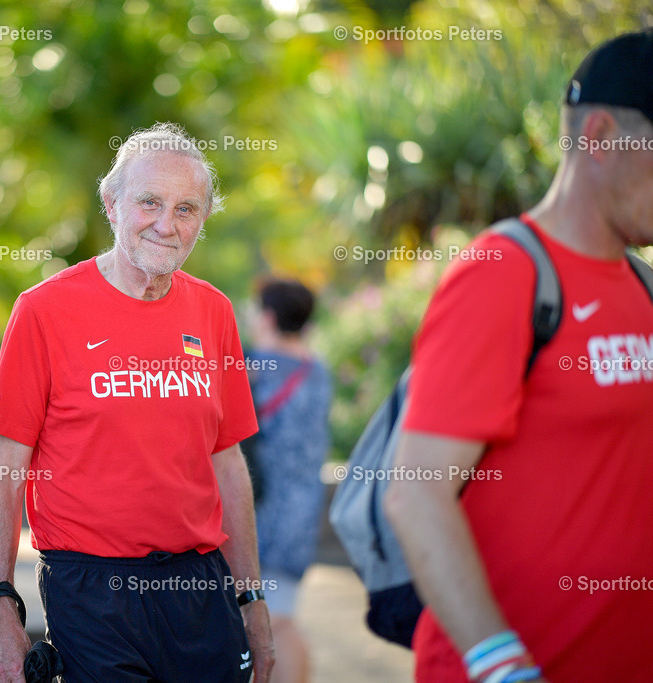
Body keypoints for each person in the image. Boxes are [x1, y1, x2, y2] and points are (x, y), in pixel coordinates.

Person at [385, 30, 653, 682]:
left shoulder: (644, 284)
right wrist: (500, 664)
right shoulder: (504, 272)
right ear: (598, 136)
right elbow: (416, 492)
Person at [0, 122, 274, 682]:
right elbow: (4, 467)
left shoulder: (214, 313)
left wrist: (251, 597)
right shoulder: (44, 311)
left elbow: (227, 464)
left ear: (203, 221)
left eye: (187, 209)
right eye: (150, 202)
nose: (167, 224)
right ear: (111, 204)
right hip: (91, 592)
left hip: (199, 589)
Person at [246, 278, 331, 683]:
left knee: (256, 621)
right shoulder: (319, 372)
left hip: (255, 511)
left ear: (268, 316)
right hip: (302, 513)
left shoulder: (252, 368)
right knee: (282, 618)